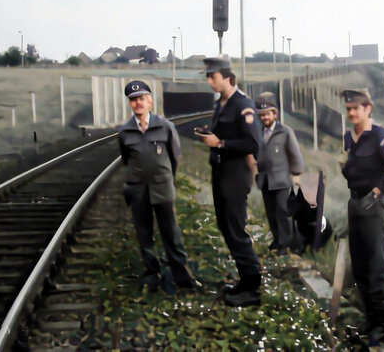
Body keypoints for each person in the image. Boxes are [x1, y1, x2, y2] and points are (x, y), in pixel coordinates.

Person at [117, 80, 201, 294]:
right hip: (138, 190)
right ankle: (151, 275)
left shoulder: (165, 126)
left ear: (150, 101)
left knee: (171, 234)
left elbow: (175, 157)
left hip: (162, 188)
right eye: (133, 100)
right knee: (144, 234)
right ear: (130, 104)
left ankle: (182, 277)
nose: (138, 103)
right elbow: (126, 159)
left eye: (141, 99)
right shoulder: (125, 131)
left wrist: (165, 179)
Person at [340, 88, 384, 346]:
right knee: (360, 268)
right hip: (355, 204)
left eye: (356, 108)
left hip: (374, 208)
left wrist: (380, 190)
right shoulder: (350, 137)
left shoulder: (380, 136)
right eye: (348, 109)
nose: (351, 113)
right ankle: (371, 322)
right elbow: (352, 168)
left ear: (367, 108)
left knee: (377, 268)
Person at [196, 57, 263, 307]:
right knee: (226, 227)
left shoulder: (242, 105)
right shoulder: (221, 104)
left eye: (212, 77)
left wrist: (220, 143)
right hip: (220, 172)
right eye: (207, 77)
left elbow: (253, 143)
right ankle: (245, 281)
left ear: (227, 77)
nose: (209, 82)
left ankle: (252, 287)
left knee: (235, 229)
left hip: (235, 176)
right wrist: (210, 137)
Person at [254, 91, 305, 255]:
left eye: (267, 114)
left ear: (274, 114)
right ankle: (277, 240)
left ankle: (285, 244)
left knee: (283, 212)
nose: (265, 118)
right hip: (265, 180)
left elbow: (295, 155)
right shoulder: (259, 133)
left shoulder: (285, 132)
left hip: (281, 180)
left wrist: (296, 173)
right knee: (271, 213)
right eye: (261, 115)